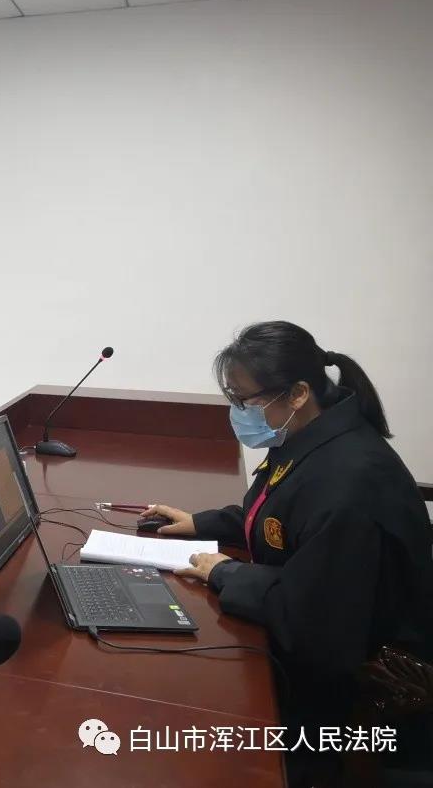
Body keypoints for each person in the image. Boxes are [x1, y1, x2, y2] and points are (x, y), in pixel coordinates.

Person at [141, 321, 433, 784]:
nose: (240, 413)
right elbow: (283, 513)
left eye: (248, 401)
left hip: (357, 694)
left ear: (297, 393)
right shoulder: (313, 434)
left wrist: (226, 573)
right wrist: (203, 523)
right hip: (329, 640)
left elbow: (314, 617)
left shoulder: (349, 483)